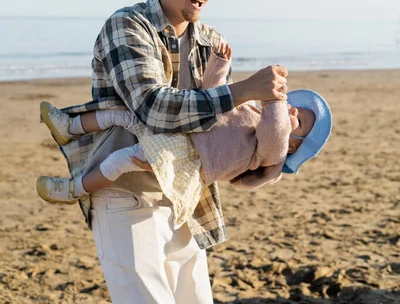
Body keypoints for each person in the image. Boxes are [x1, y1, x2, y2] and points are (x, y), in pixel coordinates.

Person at [39, 0, 290, 304]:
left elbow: (219, 129)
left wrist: (268, 144)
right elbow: (153, 107)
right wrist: (241, 90)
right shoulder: (126, 25)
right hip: (125, 193)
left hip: (184, 199)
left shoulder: (210, 39)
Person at [37, 43, 332, 230]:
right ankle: (70, 128)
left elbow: (275, 130)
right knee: (126, 115)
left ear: (296, 145)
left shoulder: (273, 152)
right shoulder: (254, 110)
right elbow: (215, 96)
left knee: (123, 158)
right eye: (294, 105)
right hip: (184, 131)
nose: (293, 109)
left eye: (301, 119)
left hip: (188, 161)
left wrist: (277, 103)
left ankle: (74, 188)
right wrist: (219, 64)